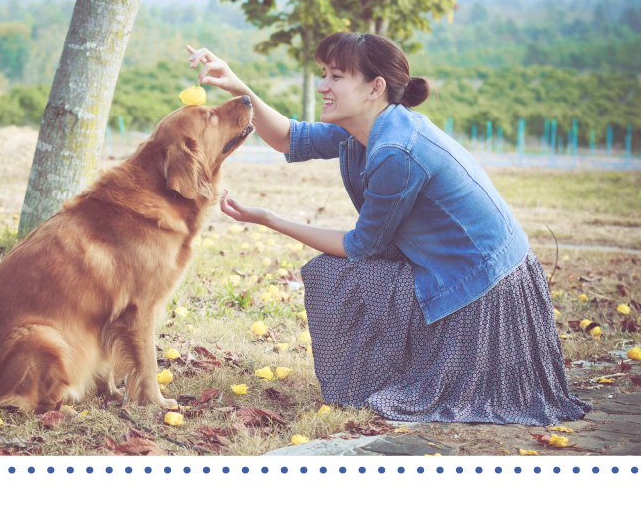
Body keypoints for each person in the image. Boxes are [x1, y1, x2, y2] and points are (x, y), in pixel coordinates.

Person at [186, 33, 591, 425]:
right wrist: (237, 85)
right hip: (465, 272)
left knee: (336, 273)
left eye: (336, 77)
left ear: (374, 87)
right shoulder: (364, 128)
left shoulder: (395, 151)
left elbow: (361, 247)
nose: (324, 86)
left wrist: (270, 219)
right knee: (342, 272)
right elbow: (291, 138)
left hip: (485, 290)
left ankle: (390, 377)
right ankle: (392, 371)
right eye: (323, 74)